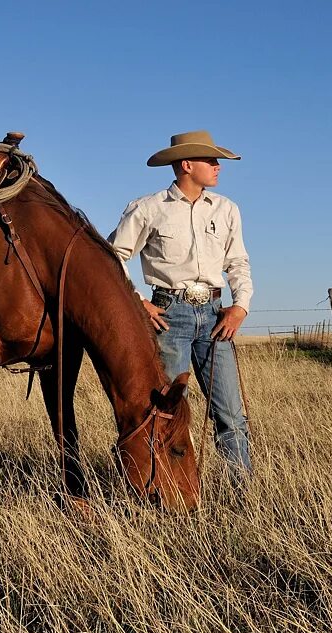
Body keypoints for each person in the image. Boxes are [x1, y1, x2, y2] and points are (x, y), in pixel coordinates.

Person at [107, 130, 253, 488]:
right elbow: (113, 256)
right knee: (164, 412)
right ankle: (162, 487)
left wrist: (240, 308)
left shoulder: (226, 209)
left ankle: (242, 495)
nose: (218, 167)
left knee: (231, 413)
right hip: (168, 315)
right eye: (210, 160)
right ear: (186, 165)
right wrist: (138, 301)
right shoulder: (148, 208)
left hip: (217, 316)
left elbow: (238, 262)